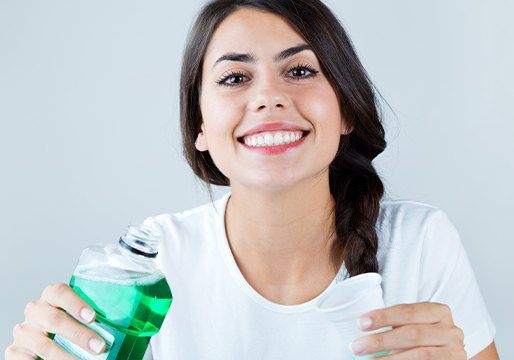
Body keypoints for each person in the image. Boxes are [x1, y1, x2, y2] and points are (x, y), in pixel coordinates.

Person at [6, 1, 499, 359]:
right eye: (235, 79)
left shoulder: (419, 243)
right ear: (199, 127)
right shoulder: (149, 267)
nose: (269, 96)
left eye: (300, 70)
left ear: (347, 109)